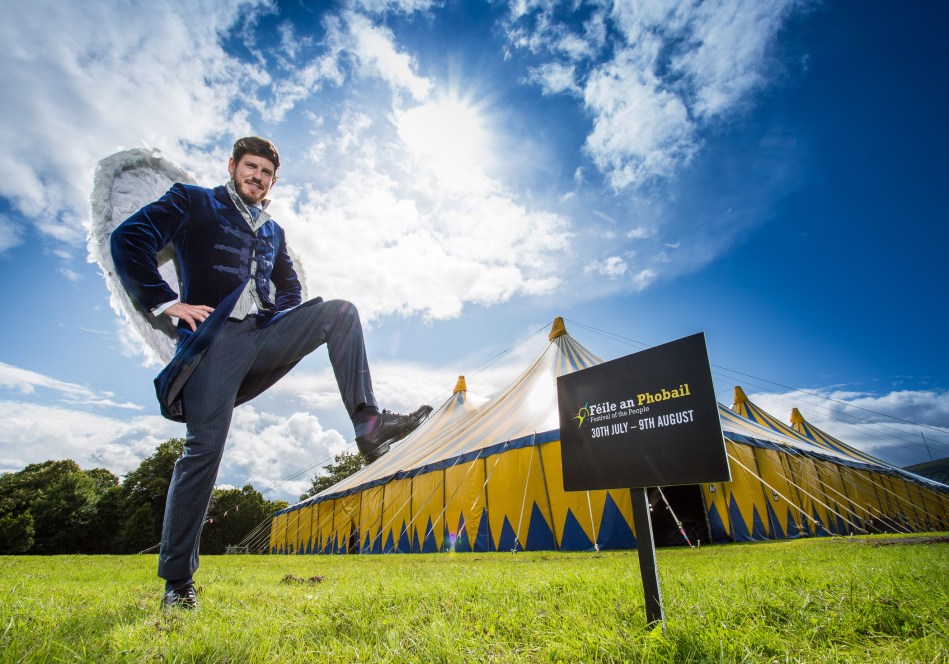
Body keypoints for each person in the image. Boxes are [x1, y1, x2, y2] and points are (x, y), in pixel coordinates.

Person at [111, 136, 431, 610]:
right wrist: (166, 301)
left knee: (339, 312)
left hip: (261, 337)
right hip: (213, 345)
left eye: (266, 173)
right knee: (203, 452)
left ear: (272, 182)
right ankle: (178, 583)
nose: (257, 177)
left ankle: (369, 423)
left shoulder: (273, 231)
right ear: (233, 166)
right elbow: (129, 240)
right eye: (251, 167)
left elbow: (291, 287)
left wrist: (279, 318)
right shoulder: (193, 200)